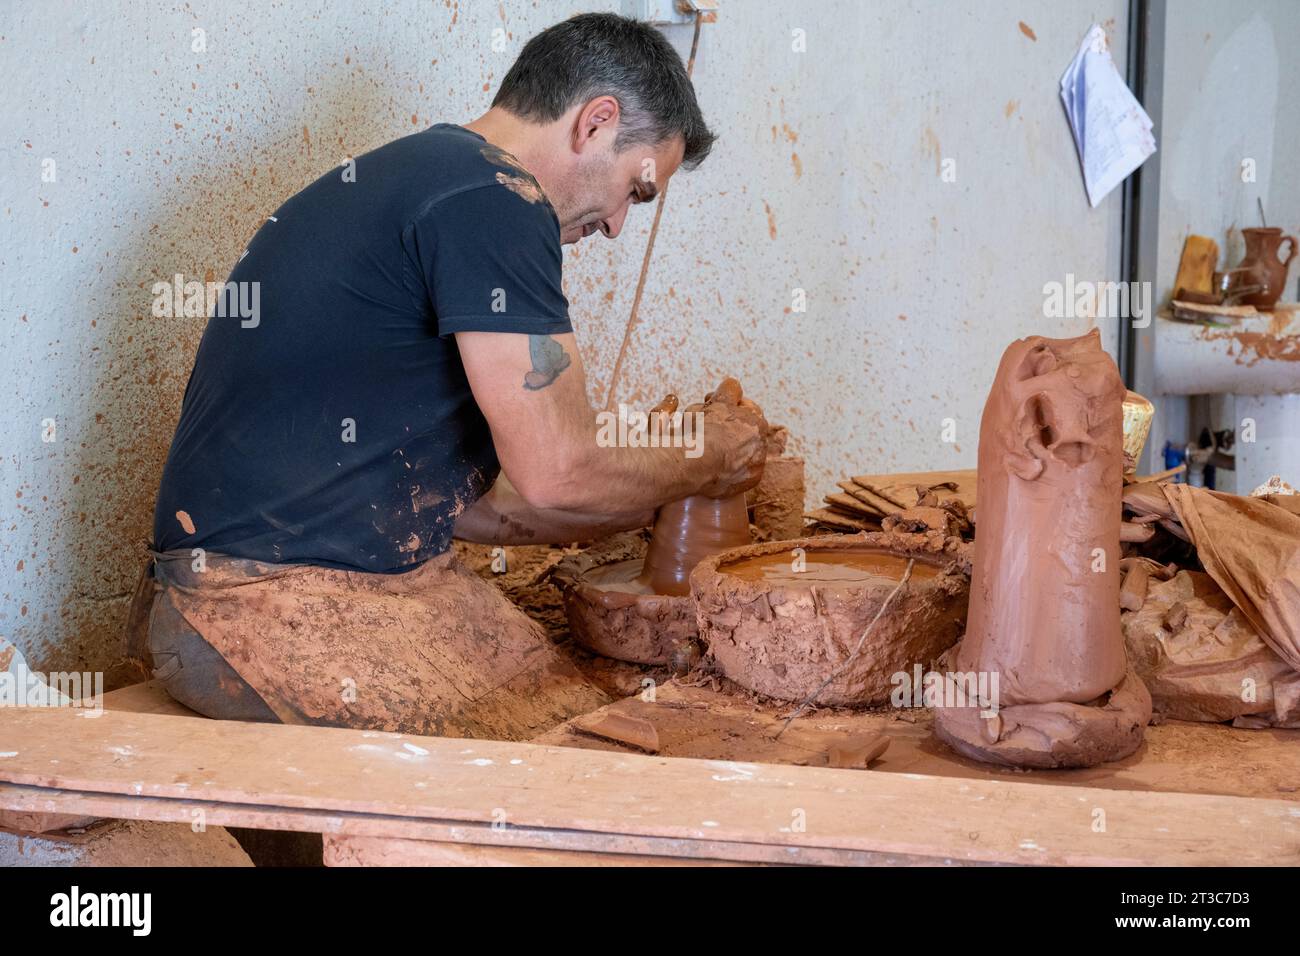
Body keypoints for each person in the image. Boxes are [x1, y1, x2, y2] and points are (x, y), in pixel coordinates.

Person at [140, 13, 767, 737]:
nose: (621, 225)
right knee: (584, 769)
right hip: (260, 607)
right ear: (596, 123)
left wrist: (645, 494)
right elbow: (556, 474)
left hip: (229, 593)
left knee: (590, 715)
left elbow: (473, 507)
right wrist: (710, 459)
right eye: (638, 188)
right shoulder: (496, 199)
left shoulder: (430, 177)